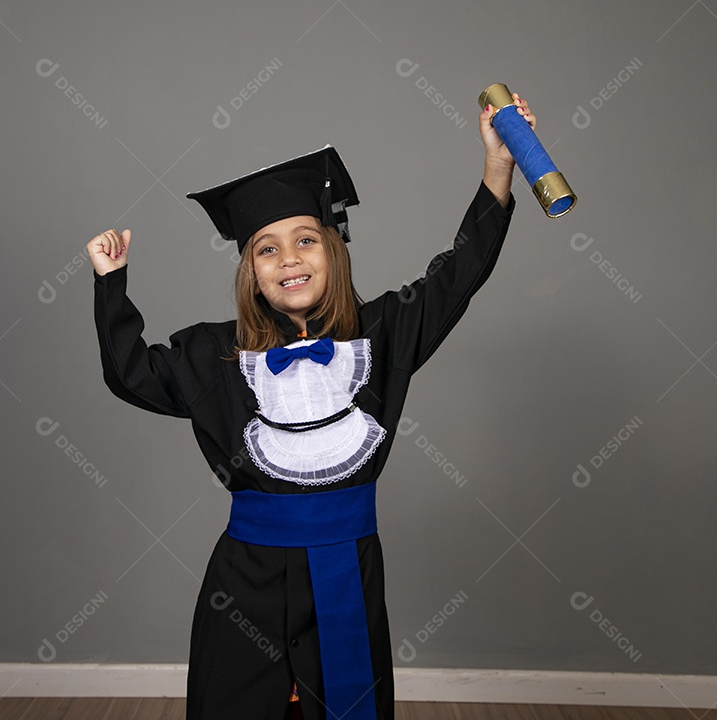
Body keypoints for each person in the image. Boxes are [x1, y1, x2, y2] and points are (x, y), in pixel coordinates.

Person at [87, 94, 536, 720]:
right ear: (250, 271)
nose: (289, 259)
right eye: (266, 249)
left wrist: (497, 170)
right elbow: (130, 374)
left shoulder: (384, 333)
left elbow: (457, 274)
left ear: (334, 248)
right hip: (245, 582)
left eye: (305, 240)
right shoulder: (213, 353)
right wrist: (111, 284)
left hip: (348, 569)